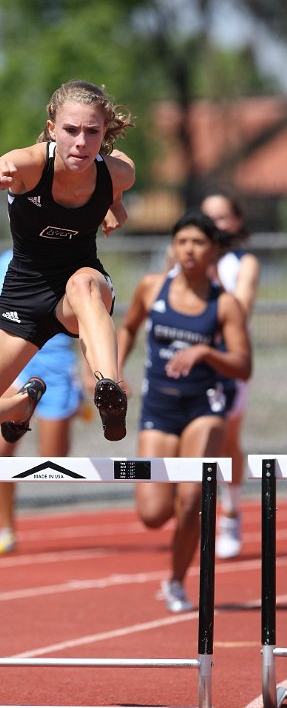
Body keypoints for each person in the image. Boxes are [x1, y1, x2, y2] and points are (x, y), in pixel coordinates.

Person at [0, 79, 135, 455]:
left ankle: (110, 388)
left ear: (104, 133)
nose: (81, 142)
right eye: (71, 130)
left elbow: (122, 174)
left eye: (92, 132)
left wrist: (115, 204)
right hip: (22, 298)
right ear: (51, 130)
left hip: (78, 295)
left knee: (83, 285)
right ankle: (23, 403)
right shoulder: (28, 163)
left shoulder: (116, 173)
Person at [117, 209, 252, 613]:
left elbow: (243, 366)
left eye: (198, 242)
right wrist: (111, 371)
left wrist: (206, 351)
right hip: (159, 405)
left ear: (213, 251)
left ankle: (176, 582)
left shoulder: (223, 305)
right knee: (153, 514)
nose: (189, 250)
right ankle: (172, 519)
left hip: (204, 406)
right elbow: (128, 327)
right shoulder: (151, 287)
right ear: (172, 248)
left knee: (192, 495)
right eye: (182, 242)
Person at [0, 247, 89, 556]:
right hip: (15, 364)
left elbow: (88, 318)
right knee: (1, 450)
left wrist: (92, 371)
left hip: (56, 364)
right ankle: (6, 528)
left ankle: (72, 401)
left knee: (54, 460)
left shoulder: (64, 260)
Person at [200, 191, 260, 559]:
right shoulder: (185, 256)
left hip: (228, 358)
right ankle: (193, 513)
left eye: (223, 218)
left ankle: (231, 511)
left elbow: (242, 307)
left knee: (225, 438)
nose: (216, 225)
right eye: (209, 218)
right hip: (186, 359)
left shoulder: (244, 262)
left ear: (236, 221)